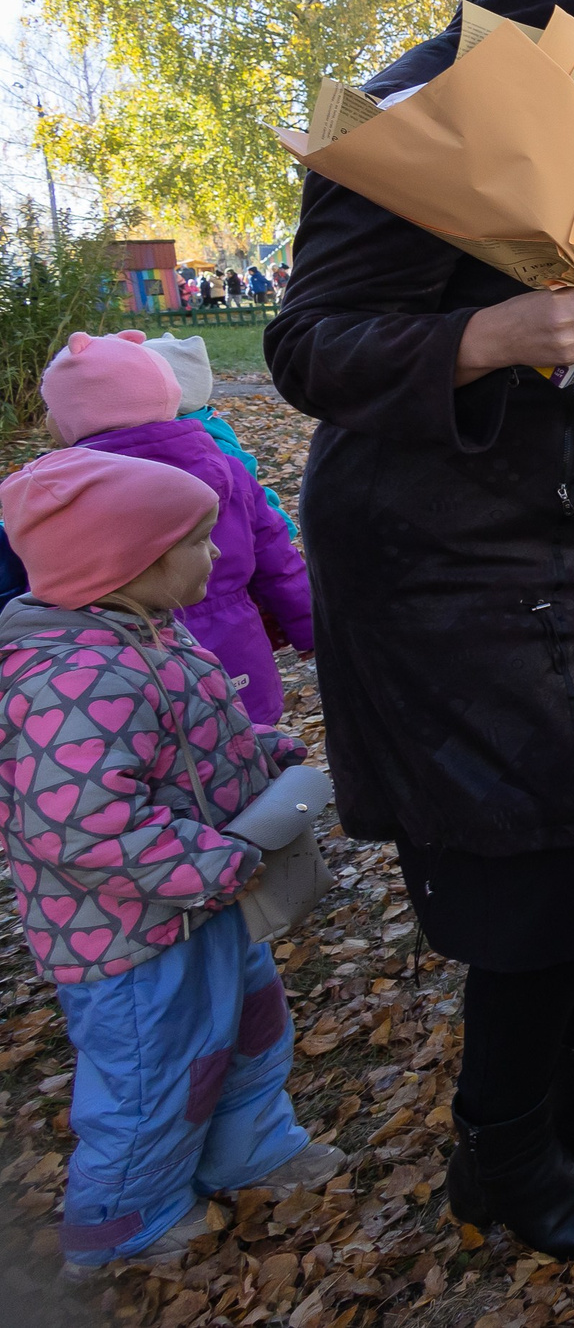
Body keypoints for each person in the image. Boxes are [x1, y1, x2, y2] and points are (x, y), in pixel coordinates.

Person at [265, 0, 574, 1253]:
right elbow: (310, 347)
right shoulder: (423, 124)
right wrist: (491, 335)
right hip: (451, 581)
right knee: (530, 881)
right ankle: (504, 1154)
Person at [0, 448, 343, 1271]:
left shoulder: (147, 635)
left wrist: (254, 752)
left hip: (199, 908)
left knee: (250, 1031)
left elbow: (175, 750)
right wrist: (212, 860)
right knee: (156, 1077)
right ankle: (125, 1221)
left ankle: (249, 1149)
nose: (216, 554)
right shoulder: (76, 678)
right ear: (130, 562)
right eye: (196, 540)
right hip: (132, 942)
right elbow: (81, 824)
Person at [43, 331, 313, 725]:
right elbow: (276, 556)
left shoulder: (65, 490)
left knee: (165, 757)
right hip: (234, 644)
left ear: (76, 416)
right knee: (253, 743)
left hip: (125, 661)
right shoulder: (227, 467)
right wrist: (306, 626)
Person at [146, 333, 297, 539]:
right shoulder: (198, 426)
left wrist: (279, 529)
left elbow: (253, 497)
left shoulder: (213, 450)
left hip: (225, 546)